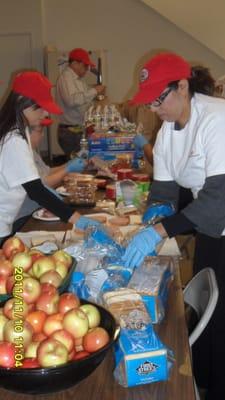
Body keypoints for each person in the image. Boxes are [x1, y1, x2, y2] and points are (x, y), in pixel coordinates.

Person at [122, 52, 225, 399]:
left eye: (158, 98)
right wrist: (154, 216)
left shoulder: (216, 118)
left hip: (220, 213)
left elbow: (217, 199)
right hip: (213, 227)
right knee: (209, 316)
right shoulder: (167, 130)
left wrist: (161, 231)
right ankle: (207, 379)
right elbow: (164, 190)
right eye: (150, 101)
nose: (154, 108)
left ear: (182, 86)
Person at [0, 71, 100, 244]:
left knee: (16, 264)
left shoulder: (17, 131)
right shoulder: (14, 140)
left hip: (5, 222)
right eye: (40, 106)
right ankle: (18, 273)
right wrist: (79, 220)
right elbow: (37, 191)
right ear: (21, 102)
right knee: (16, 268)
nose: (45, 112)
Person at [13, 122, 85, 231]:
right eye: (39, 131)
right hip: (24, 217)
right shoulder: (20, 156)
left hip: (39, 208)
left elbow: (47, 171)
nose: (42, 135)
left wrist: (69, 164)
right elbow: (41, 185)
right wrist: (67, 170)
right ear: (27, 133)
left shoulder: (32, 152)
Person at [56, 47, 105, 156]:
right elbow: (72, 100)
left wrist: (96, 98)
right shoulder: (66, 78)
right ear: (74, 63)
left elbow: (84, 100)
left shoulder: (78, 80)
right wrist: (94, 91)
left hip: (76, 130)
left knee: (81, 164)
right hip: (70, 132)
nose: (87, 69)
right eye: (85, 65)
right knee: (77, 165)